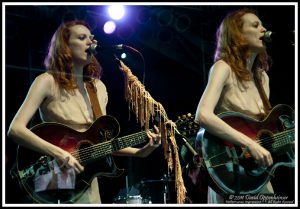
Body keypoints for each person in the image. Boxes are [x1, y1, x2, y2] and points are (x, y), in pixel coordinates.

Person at [7, 20, 161, 204]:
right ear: (65, 46)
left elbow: (102, 144)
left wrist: (141, 152)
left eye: (91, 38)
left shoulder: (98, 88)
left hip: (86, 181)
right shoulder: (47, 81)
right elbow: (15, 129)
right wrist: (59, 153)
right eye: (82, 38)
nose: (90, 42)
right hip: (53, 173)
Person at [195, 8, 276, 203]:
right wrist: (248, 143)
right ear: (237, 35)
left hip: (257, 175)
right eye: (255, 26)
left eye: (262, 25)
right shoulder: (223, 68)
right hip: (230, 171)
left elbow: (263, 130)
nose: (264, 29)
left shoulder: (263, 78)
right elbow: (203, 115)